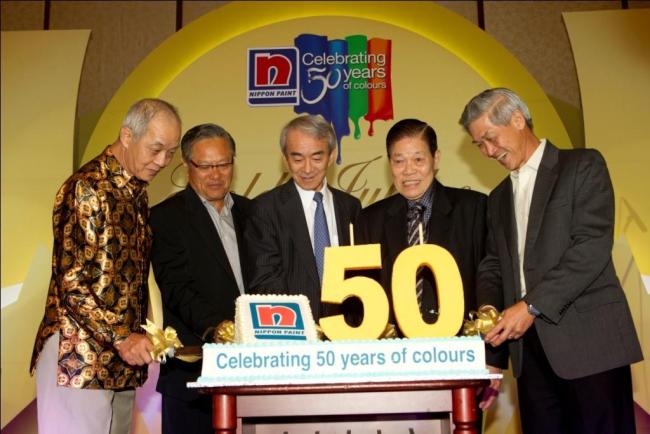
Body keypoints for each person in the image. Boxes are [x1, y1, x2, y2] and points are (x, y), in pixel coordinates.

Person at [459, 87, 643, 433]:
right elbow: (493, 267)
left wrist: (530, 306)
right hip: (529, 357)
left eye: (490, 138)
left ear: (517, 120)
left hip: (591, 346)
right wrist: (490, 325)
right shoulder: (497, 198)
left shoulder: (582, 166)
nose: (488, 151)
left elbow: (590, 248)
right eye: (479, 145)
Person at [30, 98, 182, 434]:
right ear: (127, 136)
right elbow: (71, 281)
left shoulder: (136, 192)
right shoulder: (86, 187)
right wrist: (122, 336)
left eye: (170, 153)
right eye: (156, 149)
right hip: (77, 356)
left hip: (121, 360)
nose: (162, 161)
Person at [355, 118, 489, 417]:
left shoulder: (474, 208)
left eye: (418, 159)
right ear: (389, 163)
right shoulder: (370, 219)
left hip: (459, 360)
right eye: (399, 161)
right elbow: (361, 295)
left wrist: (491, 359)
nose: (409, 170)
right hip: (391, 365)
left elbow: (489, 282)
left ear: (436, 158)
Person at [149, 123, 253, 434]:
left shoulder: (253, 212)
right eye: (205, 166)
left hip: (253, 372)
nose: (215, 174)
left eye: (223, 164)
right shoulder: (165, 217)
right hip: (193, 375)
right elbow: (176, 288)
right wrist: (219, 329)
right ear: (186, 165)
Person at [246, 114, 361, 321]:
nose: (307, 169)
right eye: (298, 159)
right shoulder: (265, 209)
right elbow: (265, 280)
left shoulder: (350, 207)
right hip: (295, 329)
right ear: (285, 159)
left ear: (332, 156)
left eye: (317, 158)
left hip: (347, 329)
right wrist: (302, 324)